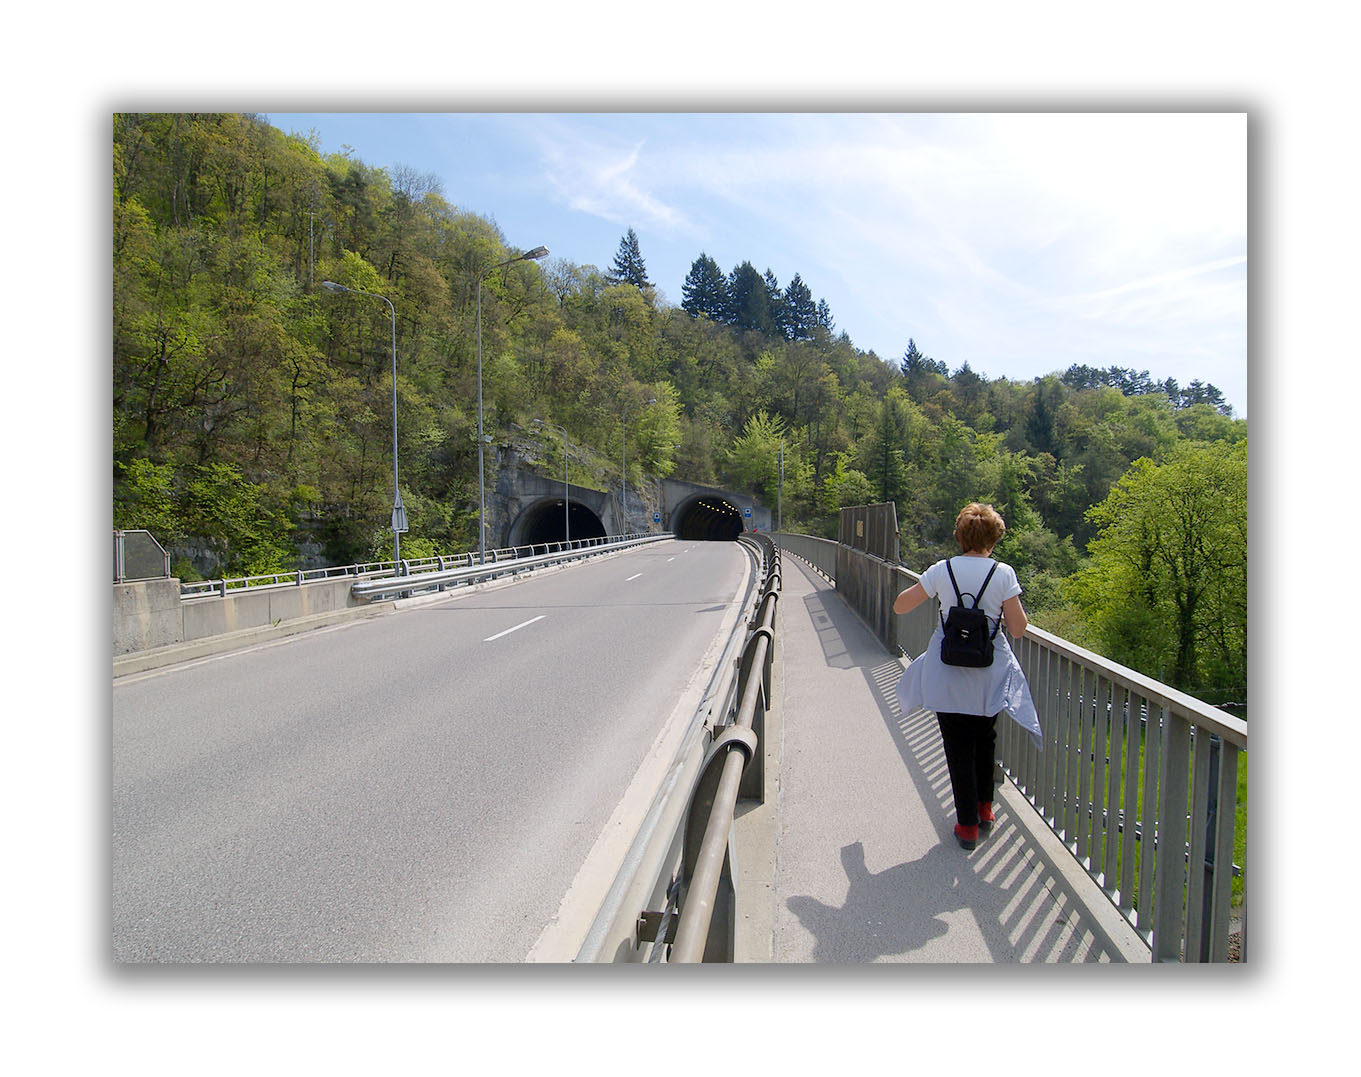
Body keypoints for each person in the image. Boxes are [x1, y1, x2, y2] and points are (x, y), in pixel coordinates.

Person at [893, 503, 1042, 852]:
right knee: (984, 738)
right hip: (990, 672)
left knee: (957, 746)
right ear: (994, 538)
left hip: (947, 673)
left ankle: (967, 825)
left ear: (960, 536)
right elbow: (1018, 629)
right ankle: (984, 807)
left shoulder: (942, 570)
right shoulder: (1003, 573)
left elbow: (901, 604)